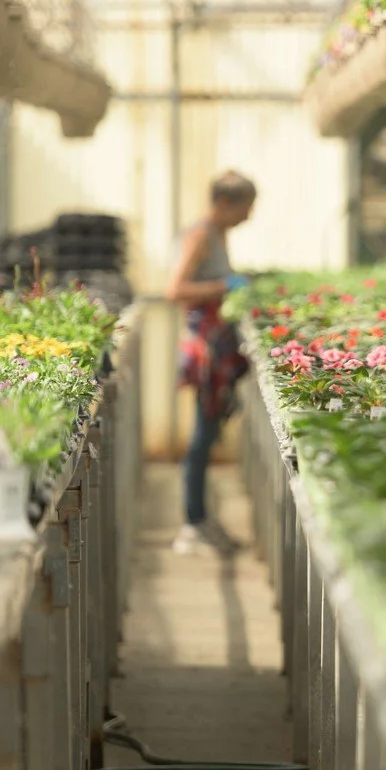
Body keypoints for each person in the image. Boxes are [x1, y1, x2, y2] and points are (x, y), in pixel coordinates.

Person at [166, 170, 256, 555]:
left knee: (209, 432)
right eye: (243, 210)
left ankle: (200, 519)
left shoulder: (218, 234)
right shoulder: (200, 235)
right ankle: (192, 524)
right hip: (204, 346)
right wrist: (224, 286)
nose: (247, 218)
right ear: (223, 204)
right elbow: (175, 290)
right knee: (201, 437)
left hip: (218, 342)